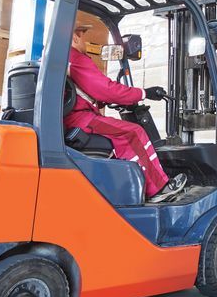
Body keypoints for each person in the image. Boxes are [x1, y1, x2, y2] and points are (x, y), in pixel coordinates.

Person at [64, 23, 186, 201]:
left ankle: (135, 184)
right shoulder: (75, 58)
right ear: (75, 37)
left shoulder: (59, 58)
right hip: (81, 119)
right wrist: (144, 93)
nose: (85, 43)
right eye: (83, 37)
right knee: (133, 133)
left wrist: (108, 98)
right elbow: (105, 89)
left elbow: (90, 93)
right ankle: (159, 190)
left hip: (73, 119)